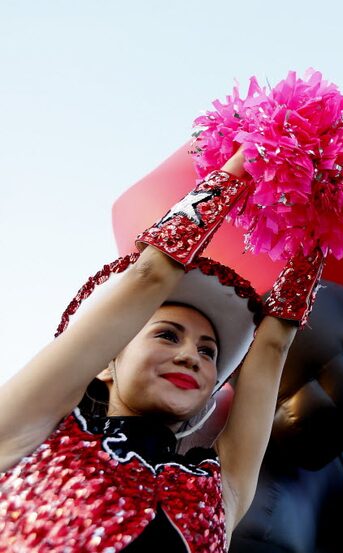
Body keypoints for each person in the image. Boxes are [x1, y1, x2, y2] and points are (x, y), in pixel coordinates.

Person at [0, 148, 325, 552]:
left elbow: (274, 344)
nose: (192, 356)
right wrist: (252, 155)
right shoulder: (32, 432)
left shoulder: (222, 492)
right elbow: (150, 275)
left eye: (209, 353)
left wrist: (323, 219)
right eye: (168, 335)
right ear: (106, 363)